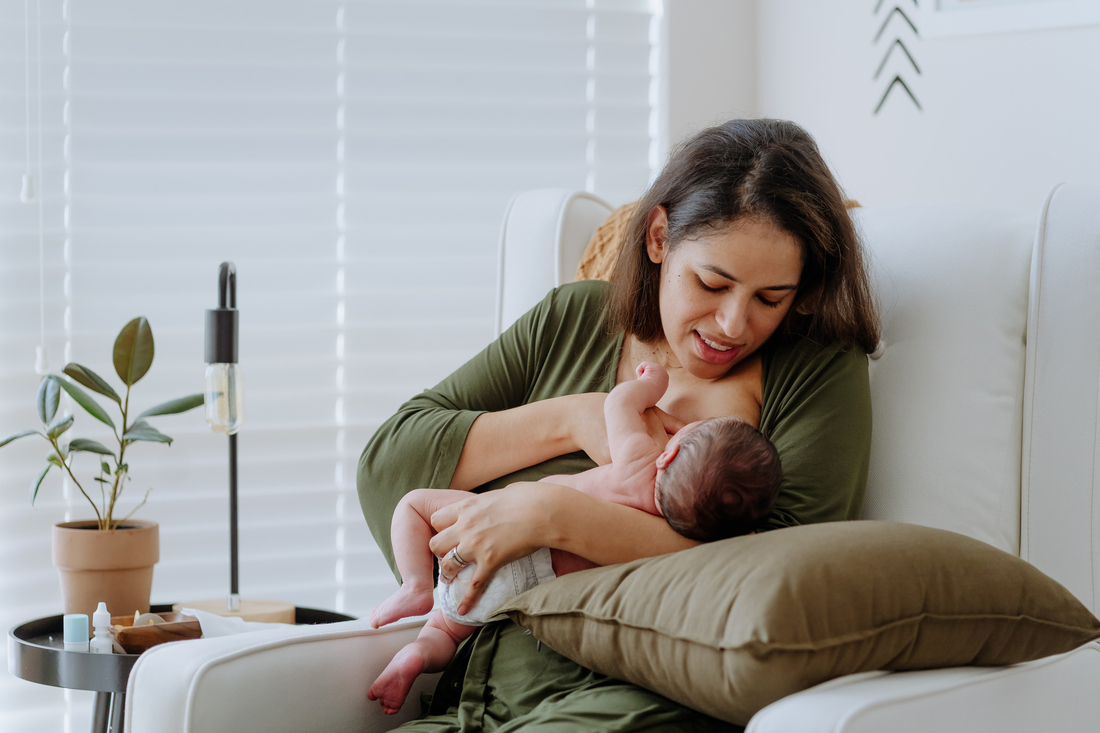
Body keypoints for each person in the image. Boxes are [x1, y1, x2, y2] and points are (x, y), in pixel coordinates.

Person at [358, 118, 880, 731]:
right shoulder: (573, 319)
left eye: (771, 298)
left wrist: (555, 516)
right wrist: (574, 418)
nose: (735, 324)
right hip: (465, 699)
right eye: (712, 283)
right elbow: (390, 467)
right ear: (659, 238)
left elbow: (782, 575)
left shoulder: (814, 367)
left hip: (632, 703)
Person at [366, 360, 781, 715]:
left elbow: (618, 402)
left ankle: (416, 586)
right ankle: (418, 655)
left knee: (415, 505)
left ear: (670, 453)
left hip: (496, 526)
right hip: (530, 590)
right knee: (445, 631)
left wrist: (652, 382)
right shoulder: (679, 535)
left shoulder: (640, 461)